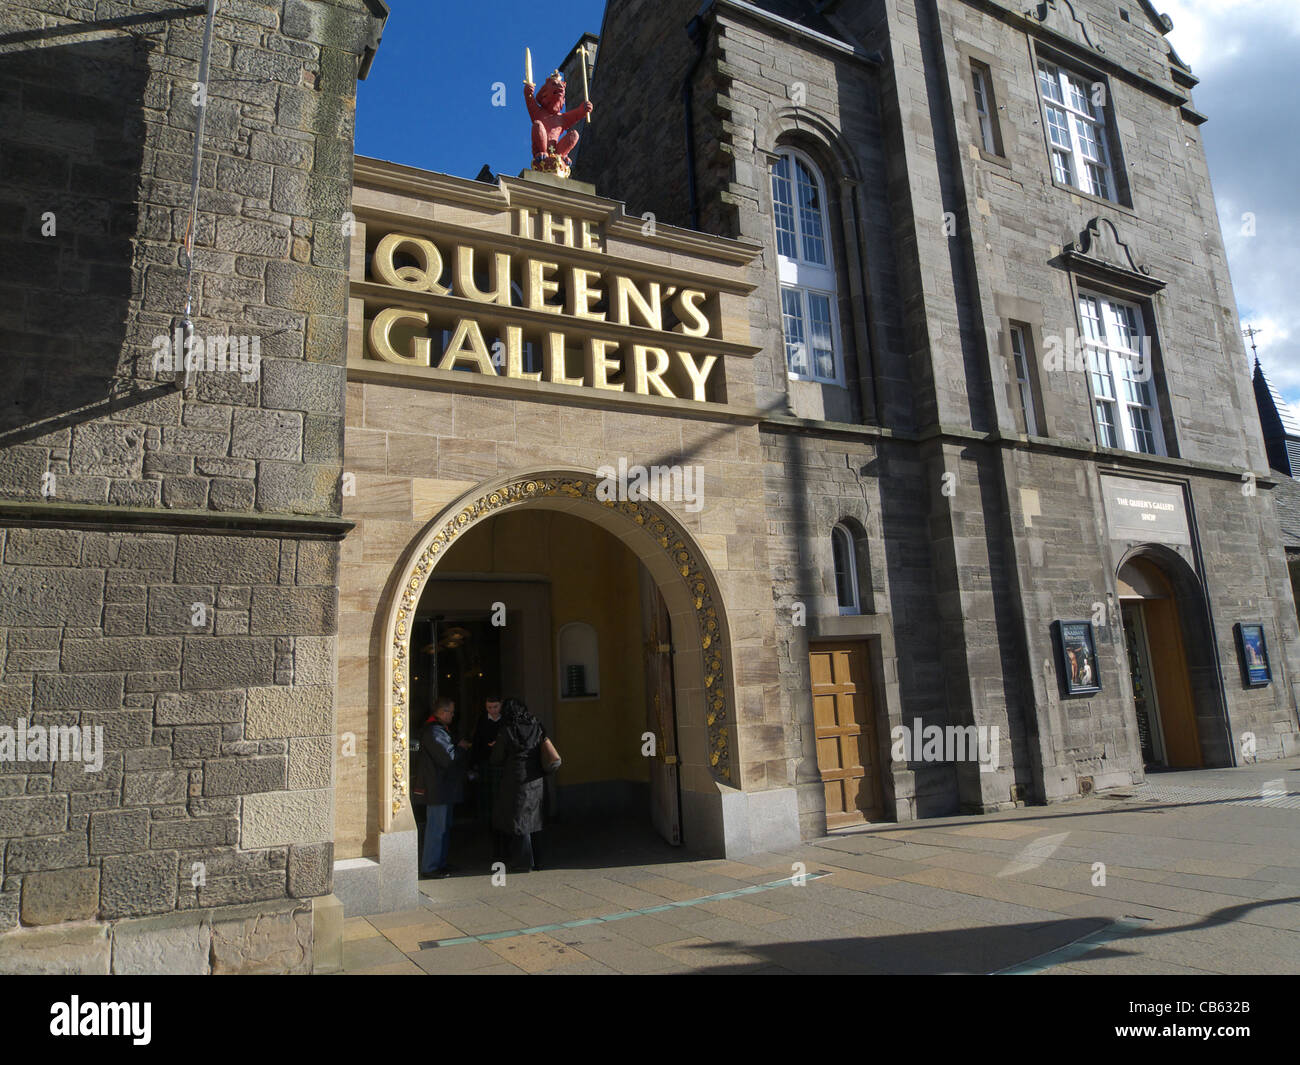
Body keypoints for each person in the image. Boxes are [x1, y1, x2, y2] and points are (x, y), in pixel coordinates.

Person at [490, 698, 556, 872]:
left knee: (519, 822)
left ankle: (523, 862)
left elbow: (497, 758)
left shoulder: (507, 730)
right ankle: (539, 860)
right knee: (536, 820)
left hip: (516, 779)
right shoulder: (537, 726)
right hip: (536, 779)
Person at [413, 696, 471, 879]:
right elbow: (448, 758)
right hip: (437, 788)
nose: (453, 716)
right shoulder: (434, 732)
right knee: (436, 829)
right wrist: (460, 747)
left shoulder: (439, 730)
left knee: (443, 828)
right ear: (443, 712)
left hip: (443, 788)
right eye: (451, 712)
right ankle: (430, 867)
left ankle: (440, 863)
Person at [470, 694, 507, 863]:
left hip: (501, 767)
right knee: (490, 806)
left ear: (501, 706)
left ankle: (504, 843)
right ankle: (494, 842)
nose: (492, 711)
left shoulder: (505, 721)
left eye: (495, 707)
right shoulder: (482, 721)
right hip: (486, 765)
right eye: (489, 708)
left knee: (503, 804)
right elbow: (476, 742)